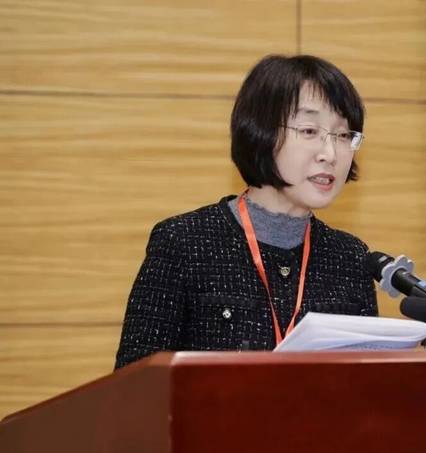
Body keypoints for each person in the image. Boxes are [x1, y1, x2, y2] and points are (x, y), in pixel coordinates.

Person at [114, 55, 378, 369]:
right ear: (260, 132)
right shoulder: (184, 243)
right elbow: (136, 382)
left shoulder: (351, 258)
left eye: (344, 135)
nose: (330, 154)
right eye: (309, 130)